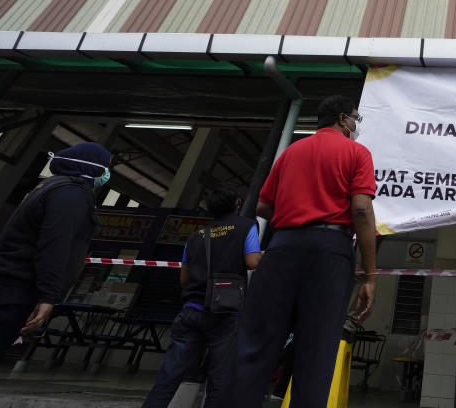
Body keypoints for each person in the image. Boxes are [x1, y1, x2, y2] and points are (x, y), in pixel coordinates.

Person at [229, 95, 377, 408]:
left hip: (282, 247)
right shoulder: (357, 152)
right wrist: (370, 274)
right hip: (330, 251)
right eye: (355, 118)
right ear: (341, 119)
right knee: (317, 349)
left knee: (257, 345)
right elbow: (362, 211)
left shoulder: (291, 152)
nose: (356, 125)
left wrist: (296, 214)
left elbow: (263, 205)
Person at [0, 142, 110, 379]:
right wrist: (48, 296)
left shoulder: (48, 186)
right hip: (11, 291)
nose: (107, 174)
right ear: (94, 169)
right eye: (106, 168)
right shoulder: (73, 195)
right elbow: (55, 246)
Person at [142, 185, 260, 407]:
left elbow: (183, 280)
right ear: (237, 203)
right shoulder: (246, 226)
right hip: (225, 313)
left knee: (169, 375)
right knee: (220, 379)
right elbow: (252, 261)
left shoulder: (196, 236)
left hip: (191, 311)